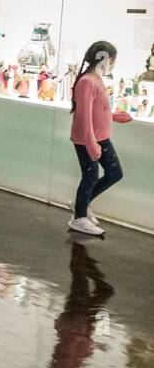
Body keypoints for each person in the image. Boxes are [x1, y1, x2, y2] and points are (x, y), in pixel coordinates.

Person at [67, 41, 131, 236]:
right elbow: (83, 115)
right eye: (112, 60)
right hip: (89, 138)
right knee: (91, 175)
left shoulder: (97, 80)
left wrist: (113, 116)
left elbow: (96, 110)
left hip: (100, 137)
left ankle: (81, 204)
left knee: (115, 173)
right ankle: (79, 217)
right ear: (106, 59)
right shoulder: (87, 81)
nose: (112, 64)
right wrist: (90, 142)